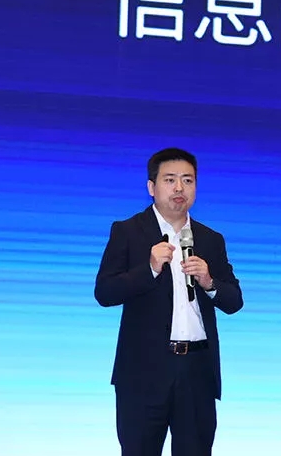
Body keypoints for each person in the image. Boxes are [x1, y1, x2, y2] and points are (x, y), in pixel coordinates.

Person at [95, 147, 244, 456]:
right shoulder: (128, 231)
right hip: (144, 371)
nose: (179, 188)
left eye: (188, 180)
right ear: (152, 187)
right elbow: (105, 293)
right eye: (170, 180)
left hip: (197, 371)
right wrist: (149, 269)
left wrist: (209, 282)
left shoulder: (211, 239)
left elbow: (234, 301)